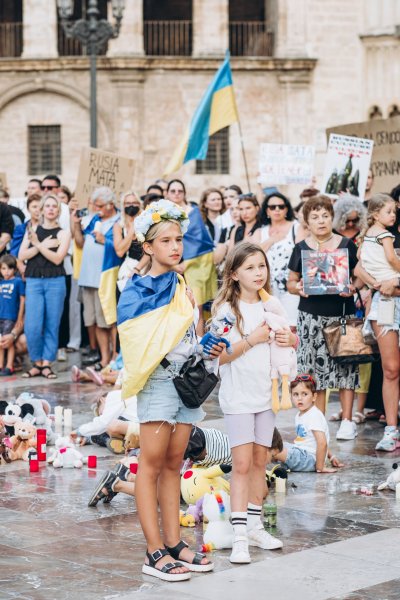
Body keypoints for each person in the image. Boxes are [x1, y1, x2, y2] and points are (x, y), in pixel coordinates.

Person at [117, 199, 224, 581]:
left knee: (174, 464)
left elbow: (185, 340)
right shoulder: (135, 290)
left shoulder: (182, 284)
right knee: (150, 464)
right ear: (147, 247)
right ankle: (153, 550)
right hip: (159, 383)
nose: (175, 246)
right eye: (166, 240)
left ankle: (175, 543)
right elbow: (135, 344)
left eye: (178, 239)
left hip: (186, 382)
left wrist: (207, 343)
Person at [213, 241, 297, 563]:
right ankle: (238, 537)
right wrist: (252, 340)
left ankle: (254, 524)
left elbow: (287, 338)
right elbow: (218, 358)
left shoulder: (272, 306)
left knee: (261, 461)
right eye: (249, 268)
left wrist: (290, 339)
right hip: (238, 397)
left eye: (261, 266)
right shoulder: (226, 311)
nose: (258, 273)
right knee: (242, 464)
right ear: (233, 274)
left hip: (268, 395)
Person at [287, 195, 359, 440]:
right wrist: (298, 288)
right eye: (315, 217)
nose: (321, 221)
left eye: (325, 215)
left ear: (332, 217)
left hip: (342, 315)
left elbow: (359, 275)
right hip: (310, 316)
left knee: (345, 369)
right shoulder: (301, 248)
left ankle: (348, 421)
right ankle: (318, 425)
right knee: (315, 372)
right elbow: (289, 282)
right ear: (306, 221)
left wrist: (353, 286)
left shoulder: (347, 245)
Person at [359, 194, 400, 451]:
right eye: (391, 210)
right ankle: (392, 429)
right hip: (384, 306)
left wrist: (394, 283)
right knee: (391, 368)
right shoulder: (381, 235)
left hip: (392, 293)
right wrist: (375, 282)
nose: (394, 215)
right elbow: (358, 269)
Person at [19, 194, 71, 379]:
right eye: (47, 205)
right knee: (32, 325)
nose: (50, 208)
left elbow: (58, 259)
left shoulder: (64, 233)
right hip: (34, 281)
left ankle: (47, 363)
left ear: (58, 210)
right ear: (41, 209)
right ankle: (36, 362)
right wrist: (42, 244)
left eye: (53, 206)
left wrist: (38, 245)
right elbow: (21, 254)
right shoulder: (32, 229)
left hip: (55, 281)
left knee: (52, 323)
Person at [72, 187, 121, 370]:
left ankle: (114, 358)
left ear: (111, 204)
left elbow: (121, 251)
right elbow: (80, 242)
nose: (97, 209)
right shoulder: (95, 219)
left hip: (105, 278)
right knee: (95, 322)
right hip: (88, 278)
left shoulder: (119, 221)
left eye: (100, 205)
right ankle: (104, 358)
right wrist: (75, 223)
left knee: (109, 321)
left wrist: (104, 241)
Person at [167, 179, 216, 334]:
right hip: (169, 266)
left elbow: (200, 241)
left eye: (179, 191)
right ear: (167, 193)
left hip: (195, 265)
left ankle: (198, 346)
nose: (176, 194)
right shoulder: (162, 214)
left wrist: (186, 264)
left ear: (184, 193)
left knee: (196, 308)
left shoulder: (193, 212)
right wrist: (172, 265)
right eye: (173, 191)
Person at [272, 375, 344, 472]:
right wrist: (331, 457)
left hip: (309, 459)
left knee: (271, 450)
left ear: (314, 397)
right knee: (278, 445)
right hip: (300, 452)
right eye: (296, 394)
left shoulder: (314, 415)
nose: (300, 398)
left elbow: (322, 443)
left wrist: (320, 467)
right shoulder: (299, 415)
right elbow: (316, 441)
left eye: (304, 394)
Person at [258, 192, 300, 328]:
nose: (277, 209)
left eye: (281, 206)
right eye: (272, 207)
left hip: (290, 285)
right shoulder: (261, 231)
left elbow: (303, 253)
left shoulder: (296, 227)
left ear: (286, 209)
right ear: (267, 210)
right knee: (270, 326)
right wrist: (271, 240)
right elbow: (253, 254)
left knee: (291, 326)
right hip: (266, 287)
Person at [0, 255, 25, 376]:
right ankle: (1, 366)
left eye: (9, 269)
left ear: (15, 269)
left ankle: (9, 366)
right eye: (3, 269)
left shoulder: (18, 281)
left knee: (8, 341)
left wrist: (19, 317)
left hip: (10, 317)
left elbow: (22, 300)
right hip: (1, 316)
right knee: (0, 341)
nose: (6, 272)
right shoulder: (1, 282)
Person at [113, 191, 143, 291]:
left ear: (139, 204)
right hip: (126, 274)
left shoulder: (147, 223)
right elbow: (120, 252)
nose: (131, 206)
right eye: (128, 203)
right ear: (123, 206)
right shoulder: (119, 226)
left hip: (145, 272)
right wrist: (131, 230)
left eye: (134, 203)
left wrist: (137, 269)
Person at [10, 194, 41, 275]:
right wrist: (22, 269)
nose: (38, 210)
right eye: (34, 207)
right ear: (28, 209)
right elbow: (14, 252)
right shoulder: (21, 228)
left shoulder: (50, 227)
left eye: (40, 207)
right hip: (25, 268)